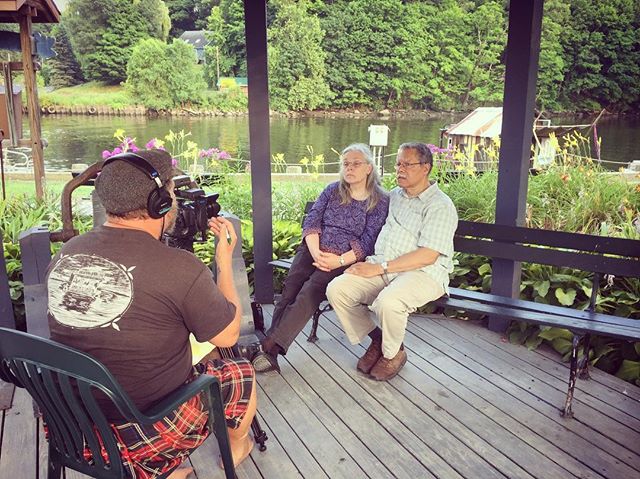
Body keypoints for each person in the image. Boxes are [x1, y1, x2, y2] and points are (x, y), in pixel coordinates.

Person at [46, 149, 256, 479]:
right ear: (160, 201)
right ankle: (235, 447)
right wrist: (224, 261)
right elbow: (228, 333)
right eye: (171, 190)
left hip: (71, 425)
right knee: (238, 370)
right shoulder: (178, 267)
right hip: (141, 430)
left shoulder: (68, 251)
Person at [252, 143, 389, 374]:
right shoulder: (332, 190)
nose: (350, 168)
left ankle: (270, 347)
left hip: (344, 258)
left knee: (311, 290)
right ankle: (271, 348)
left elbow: (368, 240)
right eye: (346, 163)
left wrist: (339, 261)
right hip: (313, 249)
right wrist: (315, 252)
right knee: (291, 289)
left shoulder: (380, 200)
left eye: (356, 163)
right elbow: (312, 221)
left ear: (368, 168)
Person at [326, 142, 458, 381]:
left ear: (426, 167)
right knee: (338, 289)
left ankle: (392, 354)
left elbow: (428, 255)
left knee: (389, 302)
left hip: (423, 273)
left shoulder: (440, 205)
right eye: (398, 163)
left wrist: (380, 267)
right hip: (384, 267)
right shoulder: (394, 196)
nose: (400, 169)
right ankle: (380, 340)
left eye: (408, 164)